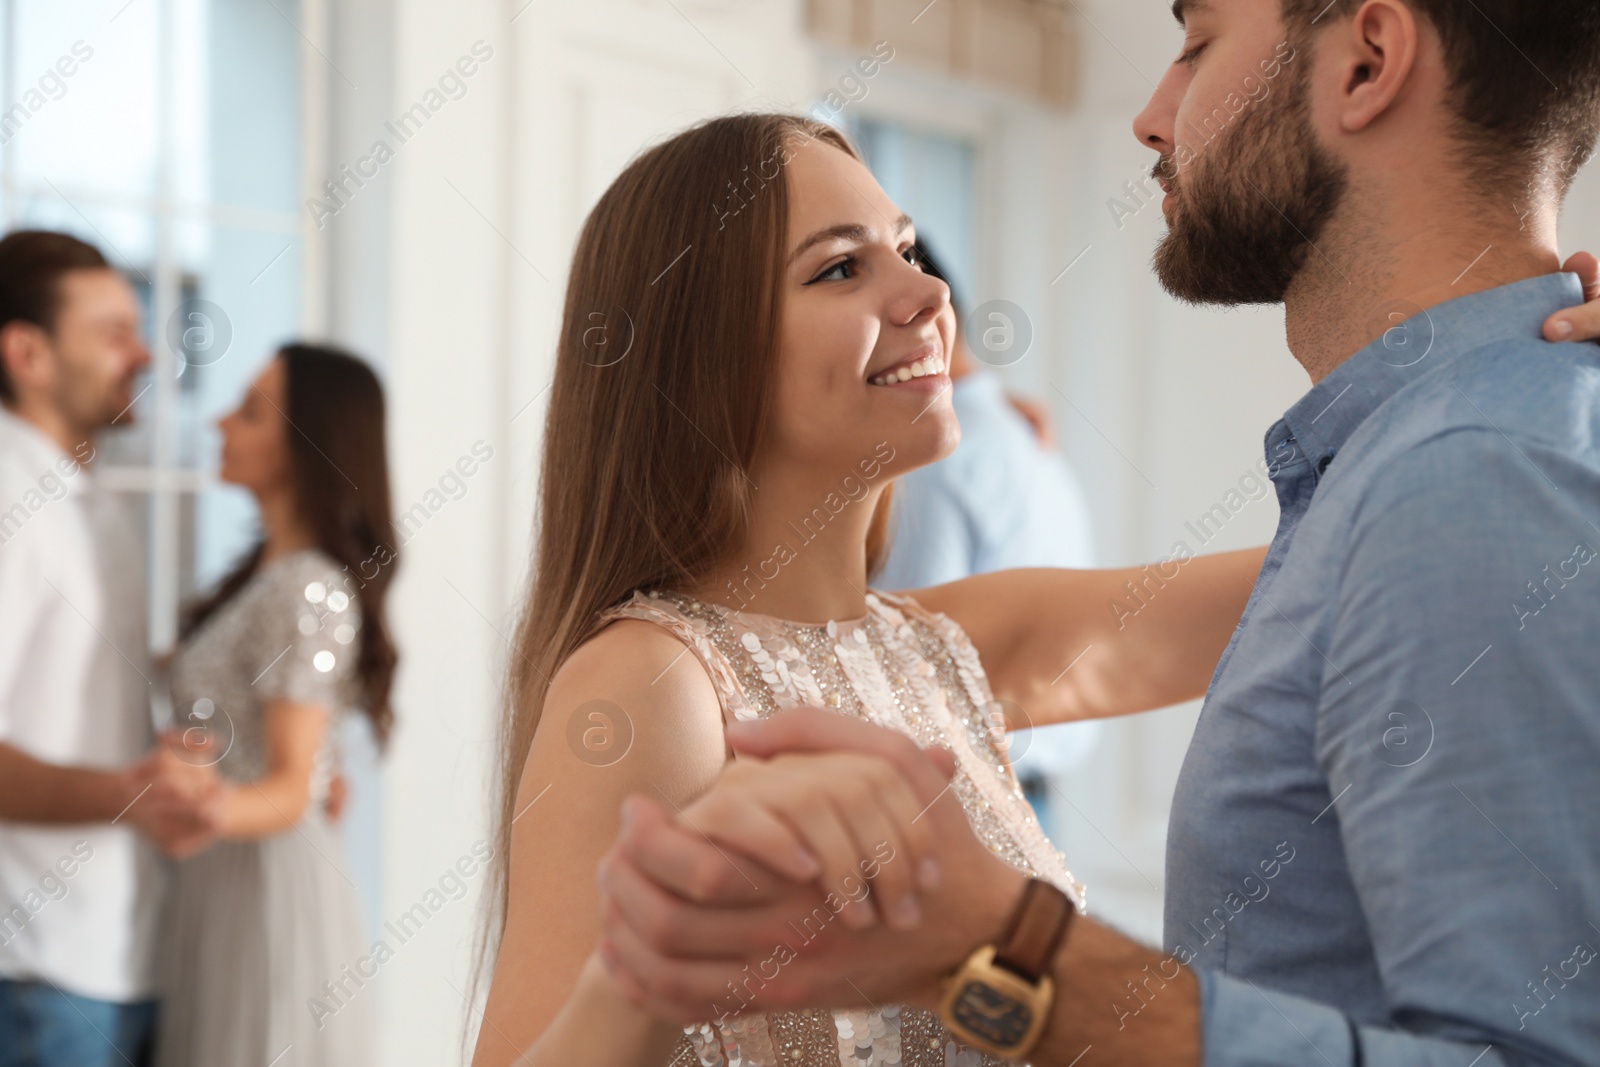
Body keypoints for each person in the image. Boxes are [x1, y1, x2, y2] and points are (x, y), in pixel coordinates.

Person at [466, 109, 1597, 1064]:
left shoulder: (955, 641)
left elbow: (1392, 543)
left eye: (908, 249)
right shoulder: (654, 682)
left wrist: (1535, 374)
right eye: (841, 267)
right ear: (696, 356)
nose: (925, 297)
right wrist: (650, 970)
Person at [0, 230, 223, 1067]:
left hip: (115, 948)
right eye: (111, 332)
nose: (141, 353)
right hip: (37, 963)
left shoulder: (81, 496)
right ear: (27, 352)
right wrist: (131, 792)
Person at [153, 344, 398, 1067]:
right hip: (226, 877)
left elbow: (294, 788)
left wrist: (191, 804)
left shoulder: (307, 589)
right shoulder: (264, 579)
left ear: (307, 445)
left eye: (250, 410)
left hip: (262, 885)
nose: (220, 422)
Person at [878, 239, 1101, 830]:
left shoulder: (933, 460)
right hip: (1024, 794)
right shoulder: (1019, 436)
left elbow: (905, 665)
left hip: (965, 804)